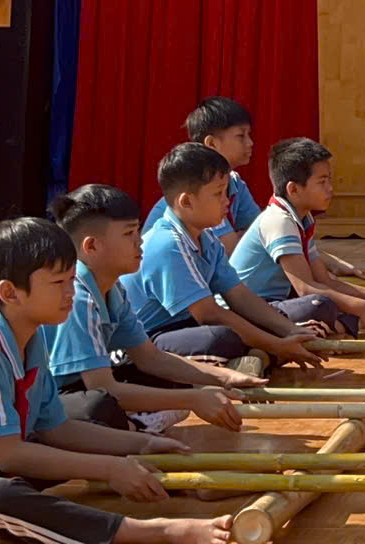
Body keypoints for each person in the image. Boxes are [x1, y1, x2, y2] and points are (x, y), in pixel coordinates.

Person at [0, 216, 229, 544]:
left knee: (87, 426)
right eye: (58, 283)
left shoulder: (31, 341)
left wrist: (141, 444)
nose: (70, 293)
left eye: (72, 280)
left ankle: (157, 482)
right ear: (10, 293)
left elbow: (56, 429)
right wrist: (109, 467)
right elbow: (10, 456)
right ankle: (155, 532)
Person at [48, 184, 262, 432]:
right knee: (98, 406)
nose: (139, 241)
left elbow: (150, 357)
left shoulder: (112, 288)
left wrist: (224, 378)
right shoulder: (77, 297)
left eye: (137, 231)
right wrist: (193, 399)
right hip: (55, 397)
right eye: (129, 234)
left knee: (171, 379)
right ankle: (132, 429)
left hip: (87, 386)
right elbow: (103, 387)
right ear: (92, 246)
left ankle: (133, 427)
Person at [129, 143, 328, 367]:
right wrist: (276, 343)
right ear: (186, 202)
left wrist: (290, 330)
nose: (227, 201)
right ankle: (262, 356)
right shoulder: (168, 244)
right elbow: (209, 314)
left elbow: (239, 296)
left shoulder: (206, 239)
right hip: (146, 342)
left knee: (306, 309)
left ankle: (257, 359)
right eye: (218, 194)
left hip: (187, 327)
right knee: (220, 338)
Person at [228, 138, 365, 337]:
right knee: (318, 305)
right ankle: (335, 326)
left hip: (273, 305)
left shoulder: (301, 219)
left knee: (333, 303)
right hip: (248, 312)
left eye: (329, 180)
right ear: (293, 189)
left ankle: (336, 326)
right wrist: (362, 307)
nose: (330, 188)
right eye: (322, 182)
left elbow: (324, 281)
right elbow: (306, 289)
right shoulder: (279, 221)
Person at [141, 98, 262, 251]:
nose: (250, 143)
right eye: (241, 136)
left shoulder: (236, 184)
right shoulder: (201, 188)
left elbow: (261, 235)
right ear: (211, 143)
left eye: (249, 135)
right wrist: (241, 240)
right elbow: (232, 251)